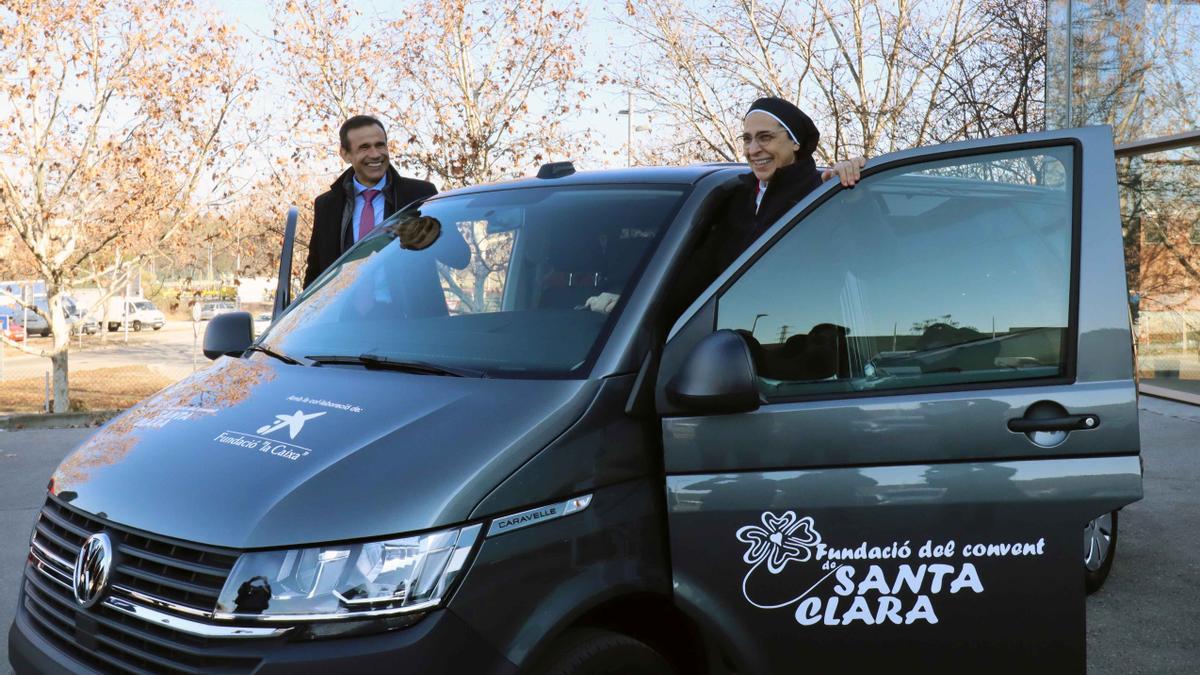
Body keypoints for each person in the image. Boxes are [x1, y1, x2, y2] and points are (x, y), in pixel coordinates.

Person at [583, 96, 865, 314]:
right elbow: (694, 278)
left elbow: (867, 266)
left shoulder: (825, 196)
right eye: (747, 139)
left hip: (805, 360)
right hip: (733, 352)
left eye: (765, 137)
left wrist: (855, 195)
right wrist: (630, 304)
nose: (753, 149)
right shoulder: (731, 199)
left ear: (795, 143)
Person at [303, 115, 440, 288]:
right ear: (345, 154)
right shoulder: (327, 205)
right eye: (364, 147)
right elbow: (315, 275)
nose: (375, 154)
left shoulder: (420, 195)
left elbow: (458, 258)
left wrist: (424, 233)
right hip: (346, 313)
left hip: (412, 313)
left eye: (380, 145)